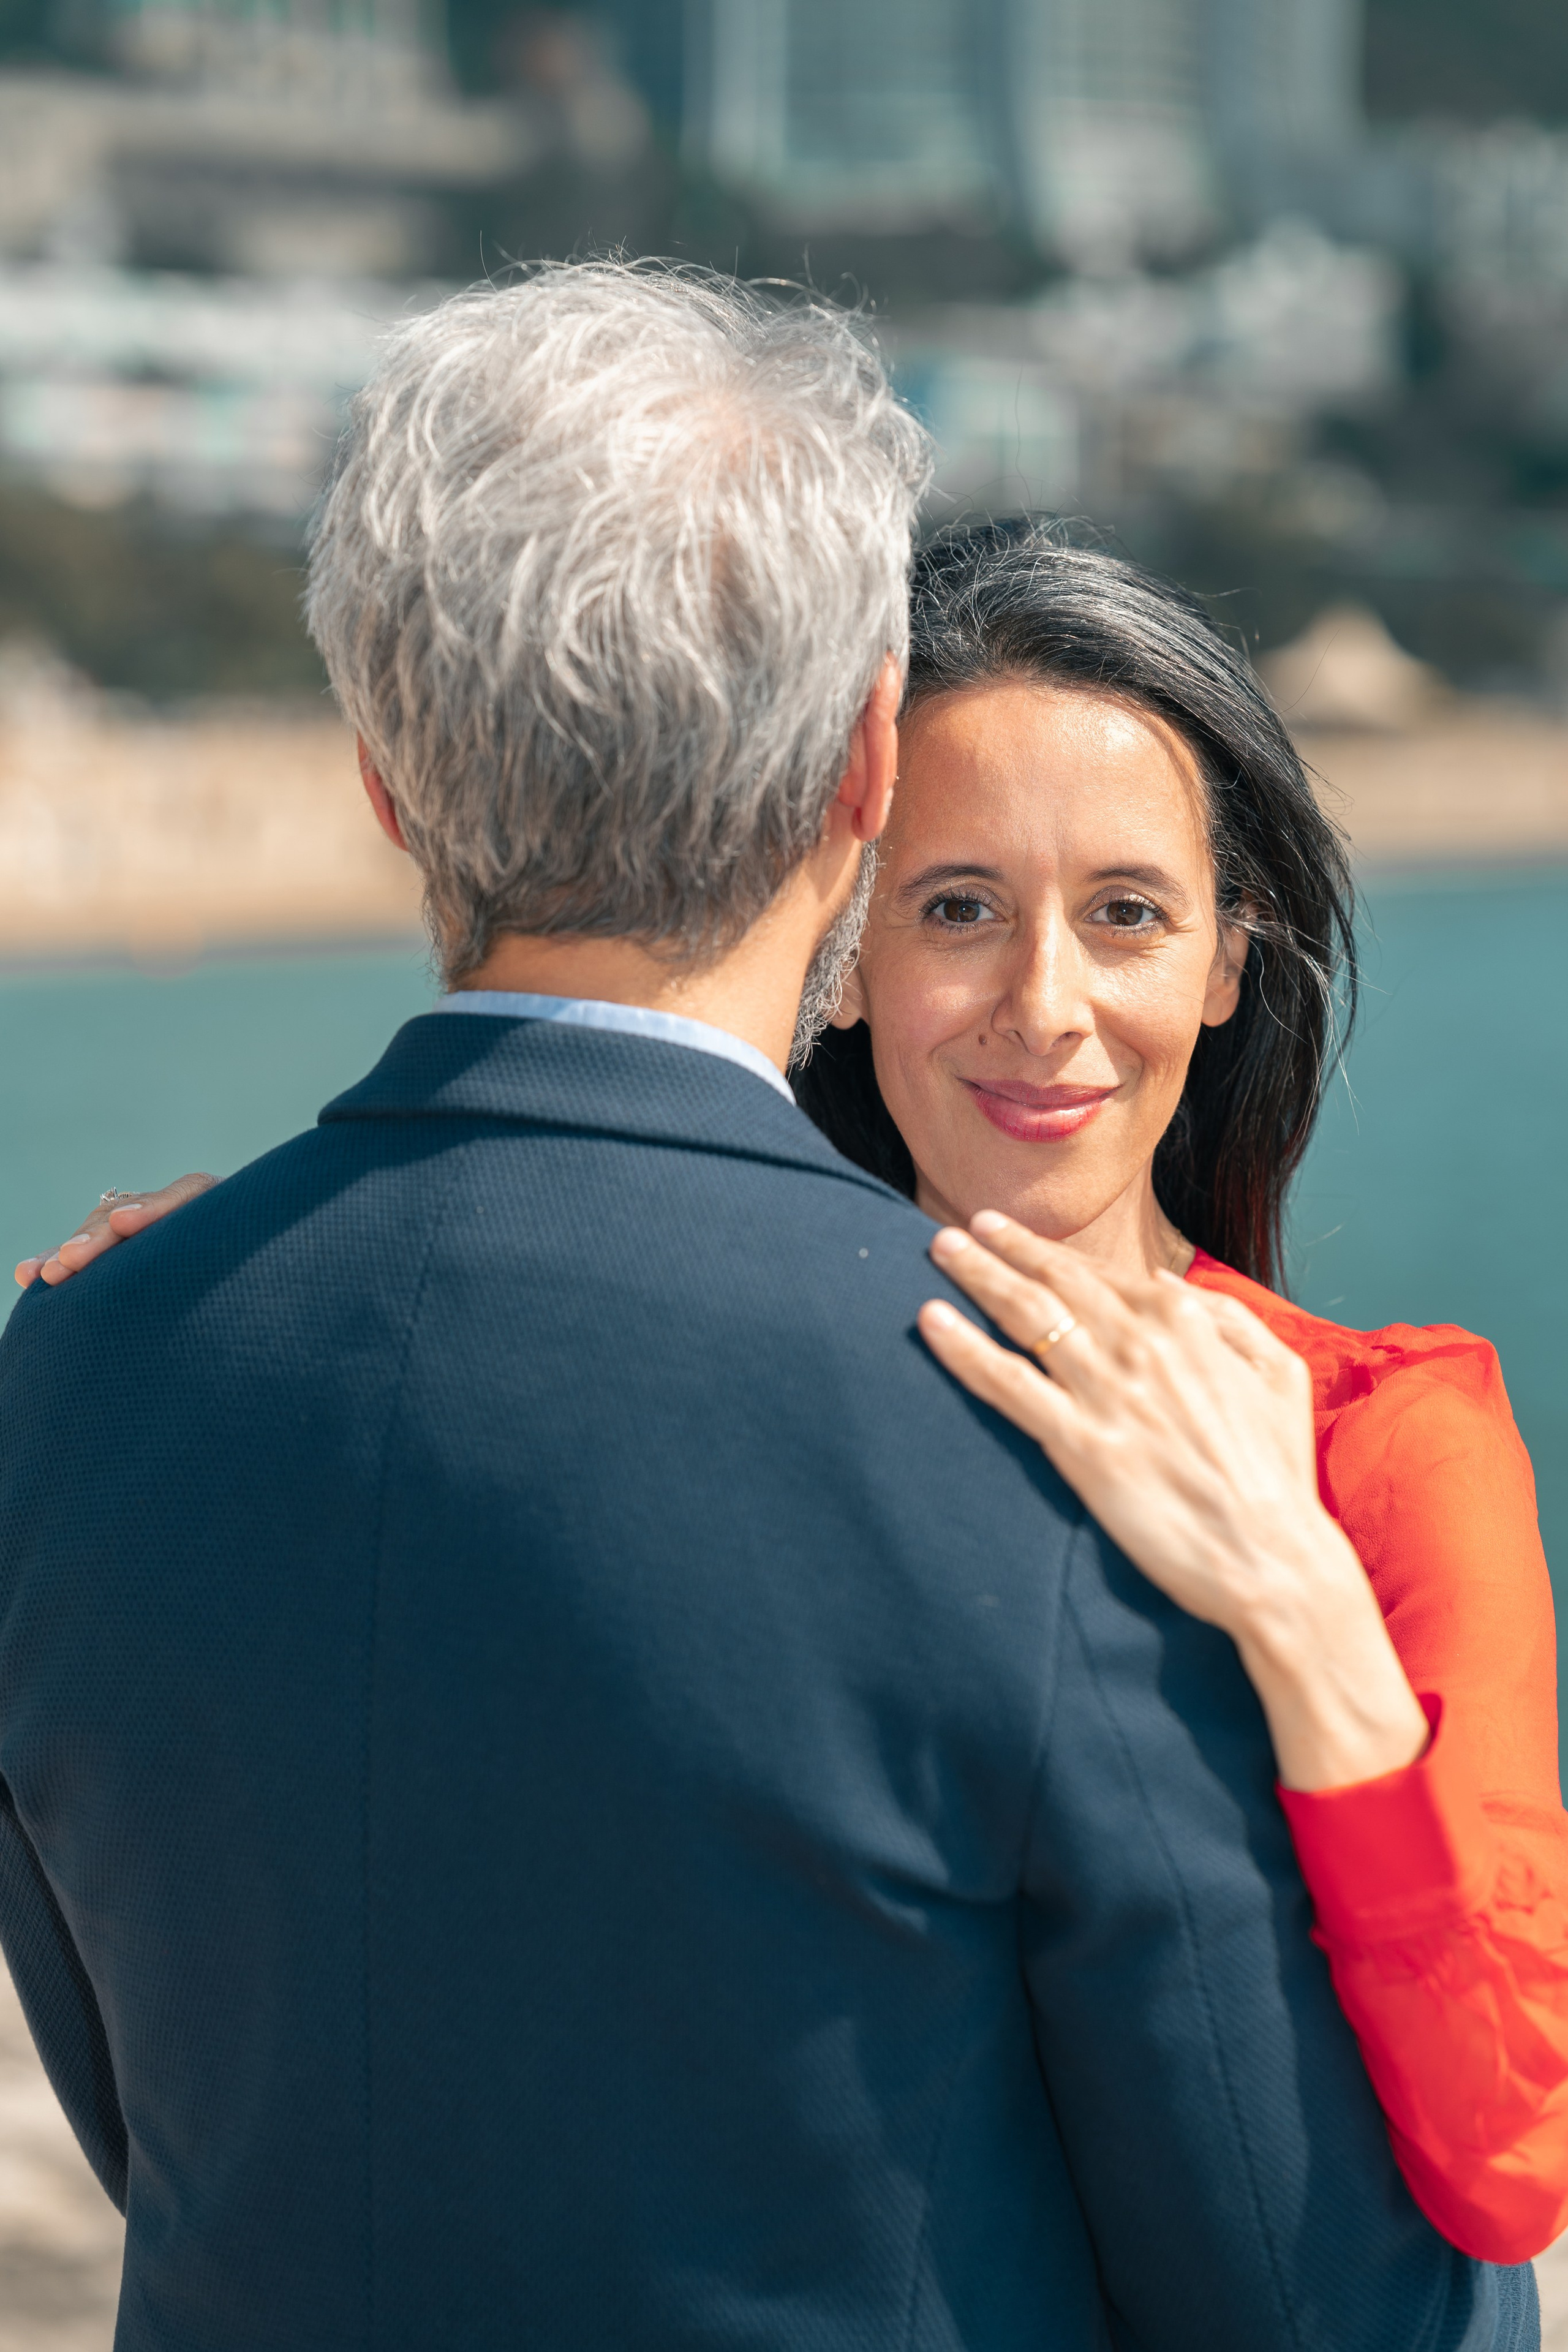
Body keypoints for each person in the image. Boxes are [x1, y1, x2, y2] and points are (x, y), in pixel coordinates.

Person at [1, 267, 1537, 2350]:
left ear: (380, 777)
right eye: (970, 903)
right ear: (863, 768)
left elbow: (158, 2119)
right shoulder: (1058, 1435)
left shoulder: (76, 1374)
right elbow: (1308, 2301)